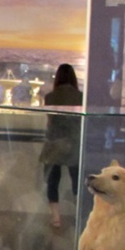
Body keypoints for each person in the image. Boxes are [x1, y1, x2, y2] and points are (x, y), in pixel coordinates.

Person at [41, 63, 83, 228]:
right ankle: (79, 215)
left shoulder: (49, 97)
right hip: (74, 142)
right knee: (77, 181)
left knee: (53, 181)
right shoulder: (81, 97)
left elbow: (49, 121)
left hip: (54, 142)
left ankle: (56, 218)